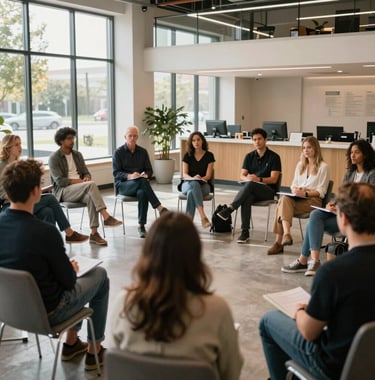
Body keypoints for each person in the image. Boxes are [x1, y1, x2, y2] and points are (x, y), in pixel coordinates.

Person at [0, 159, 110, 371]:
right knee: (99, 276)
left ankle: (71, 344)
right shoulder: (45, 232)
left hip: (10, 311)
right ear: (35, 191)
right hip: (48, 314)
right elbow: (68, 282)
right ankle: (94, 349)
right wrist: (71, 270)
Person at [259, 182, 375, 380]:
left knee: (268, 321)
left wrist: (300, 312)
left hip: (335, 367)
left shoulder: (333, 272)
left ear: (343, 219)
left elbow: (309, 332)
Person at [110, 212, 244, 380]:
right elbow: (231, 374)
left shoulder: (124, 303)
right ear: (195, 256)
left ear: (148, 253)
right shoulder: (217, 310)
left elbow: (114, 363)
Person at [282, 139, 375, 275]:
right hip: (343, 216)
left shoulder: (372, 174)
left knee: (311, 224)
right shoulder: (350, 173)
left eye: (357, 153)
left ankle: (304, 260)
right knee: (315, 215)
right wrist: (334, 204)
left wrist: (341, 207)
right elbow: (342, 195)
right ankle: (313, 260)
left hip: (359, 219)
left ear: (365, 155)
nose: (353, 156)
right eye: (351, 153)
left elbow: (369, 201)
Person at [0, 134, 88, 243]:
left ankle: (48, 243)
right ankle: (69, 233)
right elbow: (2, 193)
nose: (20, 147)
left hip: (25, 199)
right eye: (16, 145)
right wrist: (23, 194)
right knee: (50, 198)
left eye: (20, 144)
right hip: (10, 205)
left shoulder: (18, 164)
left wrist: (42, 189)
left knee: (48, 211)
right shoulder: (2, 166)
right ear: (7, 147)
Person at [49, 127, 122, 246]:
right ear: (61, 141)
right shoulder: (54, 158)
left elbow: (86, 172)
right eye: (69, 138)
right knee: (91, 185)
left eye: (73, 138)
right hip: (63, 192)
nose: (72, 141)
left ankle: (94, 234)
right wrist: (81, 182)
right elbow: (60, 181)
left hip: (80, 188)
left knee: (90, 198)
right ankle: (106, 217)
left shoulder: (77, 155)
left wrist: (86, 178)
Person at [216, 128, 281, 243]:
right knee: (247, 197)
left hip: (268, 191)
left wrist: (258, 179)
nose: (257, 142)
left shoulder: (274, 157)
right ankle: (244, 232)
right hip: (252, 190)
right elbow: (242, 176)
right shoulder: (249, 156)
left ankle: (230, 208)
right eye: (254, 139)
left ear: (266, 140)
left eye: (260, 139)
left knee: (250, 184)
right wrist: (248, 179)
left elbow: (274, 179)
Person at [267, 136, 329, 255]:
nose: (306, 150)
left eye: (309, 147)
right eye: (304, 148)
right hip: (298, 198)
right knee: (284, 199)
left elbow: (322, 191)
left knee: (281, 205)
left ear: (316, 149)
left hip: (313, 200)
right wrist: (295, 189)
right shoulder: (300, 165)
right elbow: (293, 184)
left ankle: (279, 242)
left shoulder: (323, 167)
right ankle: (286, 234)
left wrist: (305, 192)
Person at [112, 125, 168, 238]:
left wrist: (146, 175)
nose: (132, 138)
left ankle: (141, 226)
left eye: (135, 136)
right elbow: (116, 173)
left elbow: (149, 170)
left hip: (139, 184)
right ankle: (160, 208)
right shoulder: (118, 152)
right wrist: (130, 176)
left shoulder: (143, 152)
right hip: (123, 186)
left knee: (143, 193)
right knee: (142, 182)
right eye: (130, 136)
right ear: (125, 137)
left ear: (137, 137)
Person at [180, 131, 215, 228]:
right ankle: (203, 217)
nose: (196, 142)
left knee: (192, 192)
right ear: (191, 143)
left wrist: (199, 178)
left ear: (202, 141)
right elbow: (184, 174)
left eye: (198, 140)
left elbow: (208, 176)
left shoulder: (209, 156)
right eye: (193, 140)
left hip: (204, 185)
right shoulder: (187, 155)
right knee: (194, 184)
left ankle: (188, 224)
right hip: (187, 184)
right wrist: (193, 178)